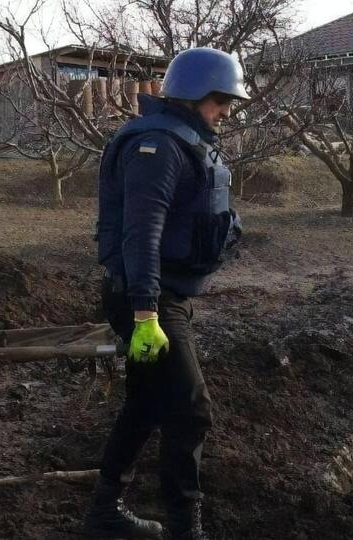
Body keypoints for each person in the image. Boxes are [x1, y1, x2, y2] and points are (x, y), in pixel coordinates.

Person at [83, 48, 247, 540]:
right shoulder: (157, 146)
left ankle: (104, 512)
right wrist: (146, 312)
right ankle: (184, 527)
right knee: (191, 407)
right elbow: (142, 234)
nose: (226, 114)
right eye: (221, 103)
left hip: (155, 294)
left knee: (147, 403)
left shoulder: (185, 140)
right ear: (199, 95)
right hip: (146, 299)